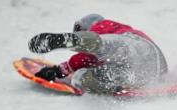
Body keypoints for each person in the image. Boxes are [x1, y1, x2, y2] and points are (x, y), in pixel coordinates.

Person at [28, 13, 167, 94]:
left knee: (98, 47)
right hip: (155, 64)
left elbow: (87, 57)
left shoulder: (103, 25)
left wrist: (61, 70)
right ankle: (112, 80)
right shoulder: (128, 29)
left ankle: (78, 43)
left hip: (125, 45)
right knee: (115, 68)